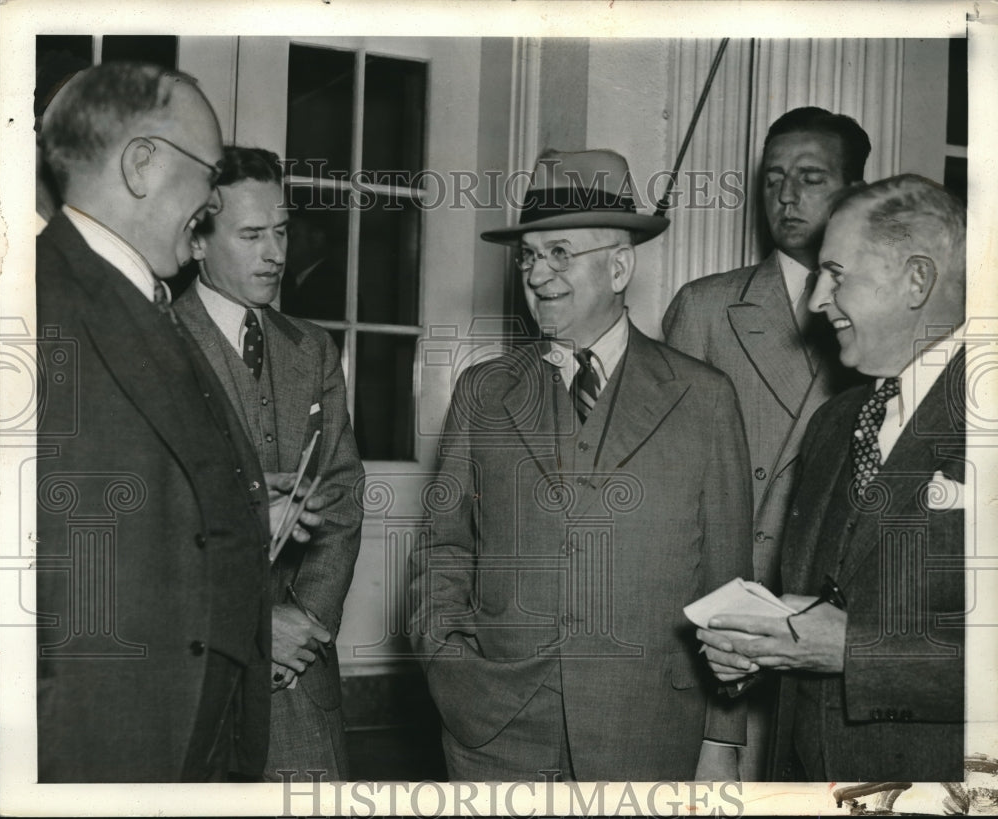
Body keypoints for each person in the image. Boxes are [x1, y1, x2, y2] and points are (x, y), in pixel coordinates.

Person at [409, 149, 754, 781]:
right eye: (529, 256)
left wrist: (721, 740)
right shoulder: (484, 391)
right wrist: (451, 668)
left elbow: (726, 581)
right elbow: (443, 548)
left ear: (620, 266)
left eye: (560, 253)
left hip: (650, 734)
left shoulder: (703, 397)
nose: (539, 275)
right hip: (497, 735)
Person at [36, 62, 273, 781]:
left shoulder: (137, 295)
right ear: (142, 164)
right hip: (102, 747)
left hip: (189, 734)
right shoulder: (35, 301)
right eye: (210, 171)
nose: (213, 198)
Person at [697, 174, 966, 781]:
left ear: (917, 280)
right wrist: (762, 643)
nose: (817, 299)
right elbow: (828, 604)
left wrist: (850, 651)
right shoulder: (834, 421)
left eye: (837, 274)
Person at [661, 106, 871, 778]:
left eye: (810, 177)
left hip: (845, 637)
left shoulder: (886, 320)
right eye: (773, 178)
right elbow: (669, 483)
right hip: (734, 627)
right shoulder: (707, 307)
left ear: (854, 192)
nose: (785, 195)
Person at [174, 146, 365, 781]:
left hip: (298, 675)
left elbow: (340, 495)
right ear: (198, 242)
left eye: (281, 232)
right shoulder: (159, 342)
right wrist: (257, 628)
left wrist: (306, 623)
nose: (276, 253)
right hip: (192, 667)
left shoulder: (310, 348)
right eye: (252, 234)